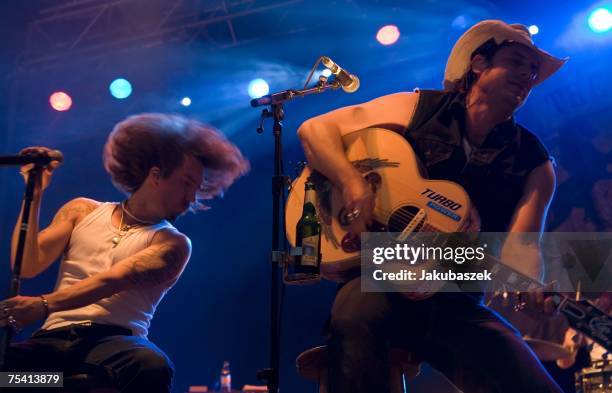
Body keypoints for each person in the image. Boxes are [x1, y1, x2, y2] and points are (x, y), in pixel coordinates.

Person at [297, 20, 567, 392]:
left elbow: (522, 247)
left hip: (454, 296)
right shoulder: (419, 108)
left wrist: (531, 288)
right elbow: (314, 129)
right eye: (516, 62)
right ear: (478, 64)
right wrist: (352, 181)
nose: (526, 75)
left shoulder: (535, 163)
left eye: (533, 70)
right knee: (354, 313)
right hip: (377, 278)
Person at [0, 113, 249, 392]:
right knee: (9, 377)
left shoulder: (173, 244)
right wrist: (33, 192)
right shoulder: (82, 210)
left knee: (151, 365)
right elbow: (27, 263)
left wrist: (42, 304)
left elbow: (111, 281)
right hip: (52, 342)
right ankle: (54, 384)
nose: (192, 198)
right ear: (156, 176)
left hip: (114, 347)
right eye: (187, 182)